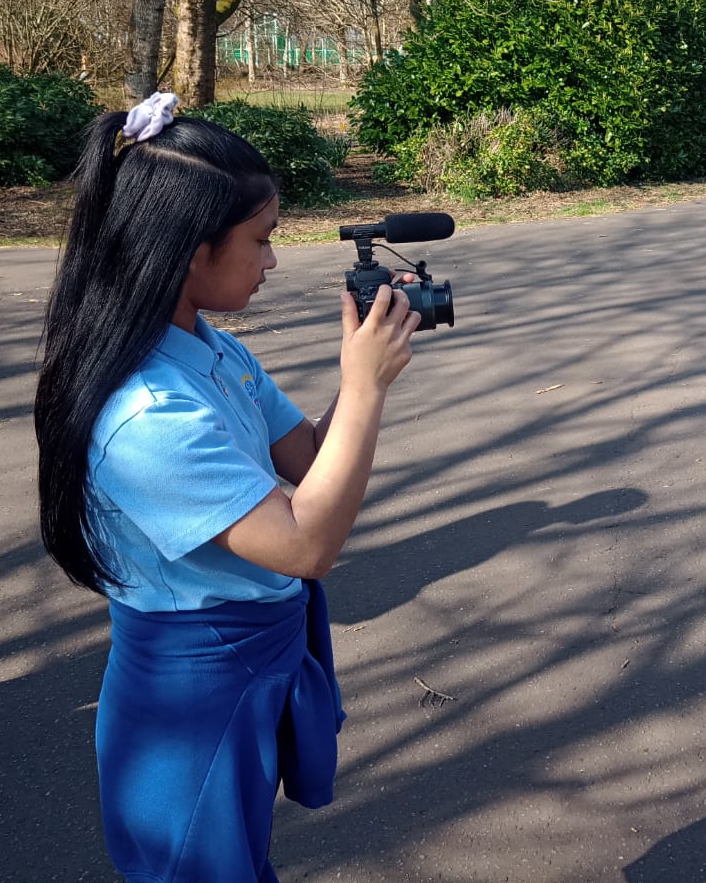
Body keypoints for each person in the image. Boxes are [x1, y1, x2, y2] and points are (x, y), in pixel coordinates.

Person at [34, 92, 419, 882]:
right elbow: (306, 542)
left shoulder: (209, 348)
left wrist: (364, 368)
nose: (272, 261)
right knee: (199, 867)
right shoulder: (147, 413)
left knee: (236, 856)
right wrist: (365, 387)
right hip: (193, 696)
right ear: (189, 251)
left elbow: (310, 458)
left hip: (248, 660)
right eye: (261, 239)